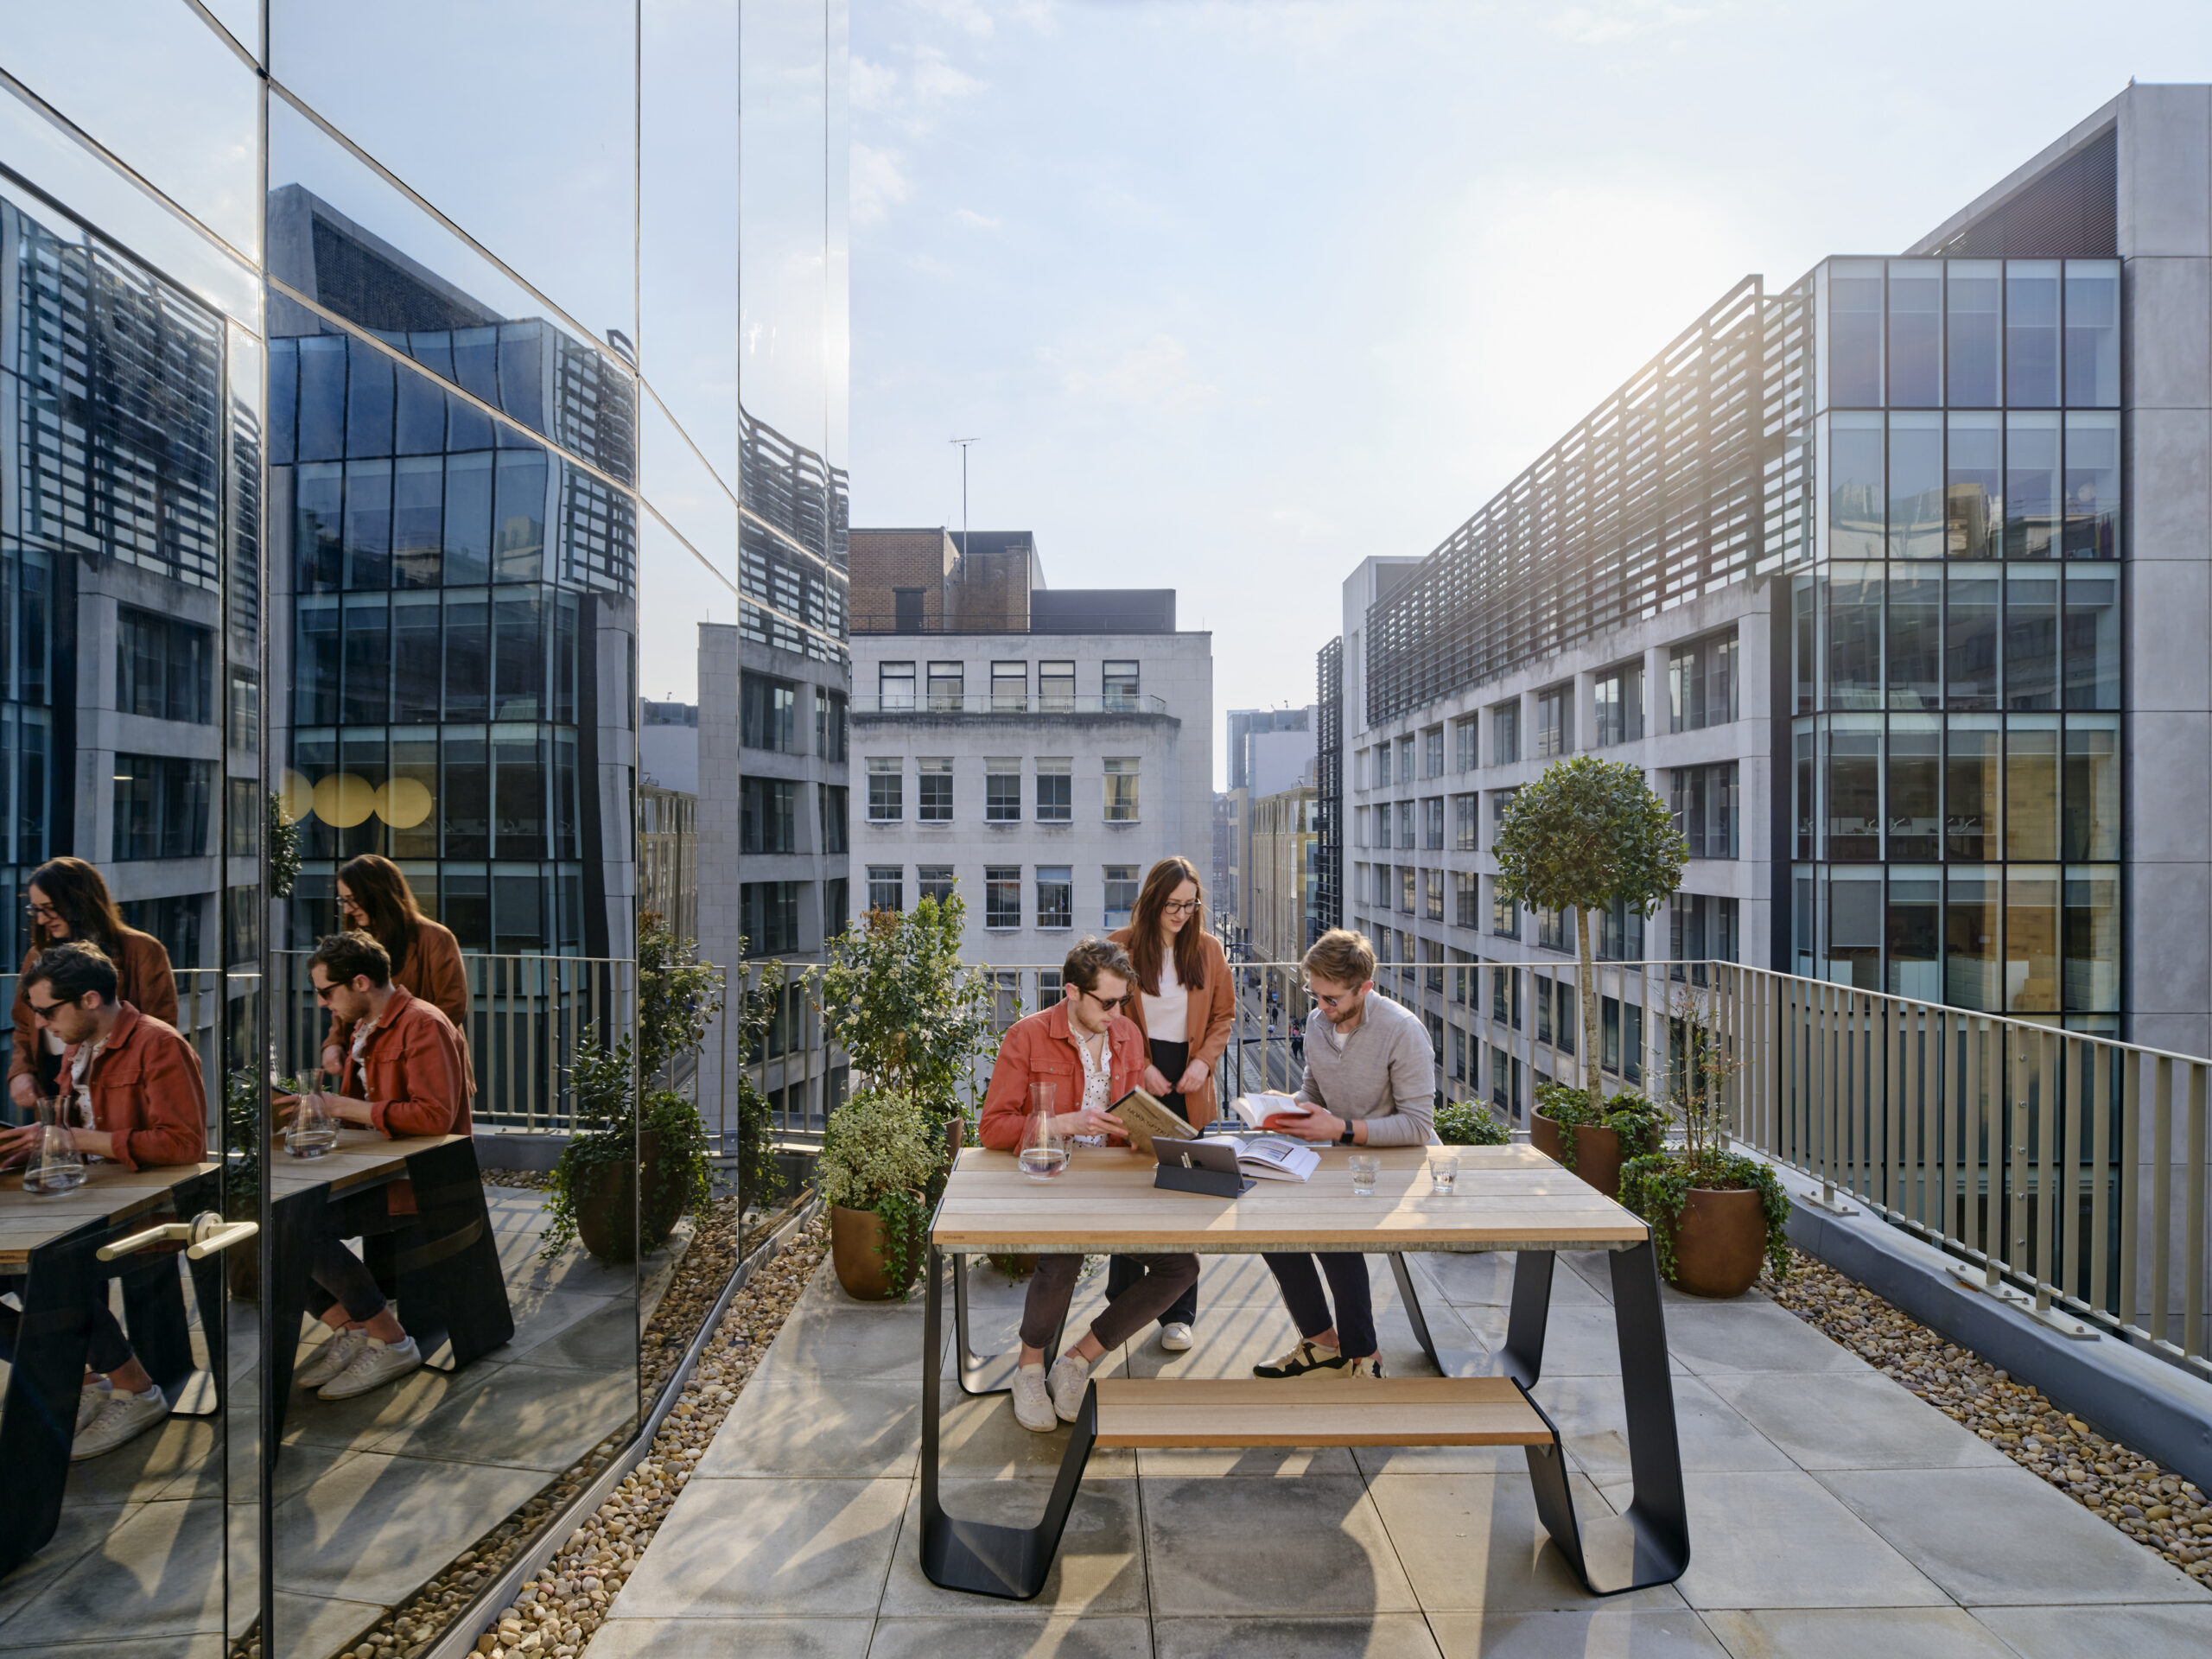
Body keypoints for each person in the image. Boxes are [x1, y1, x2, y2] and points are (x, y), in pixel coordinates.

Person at [976, 938, 1199, 1433]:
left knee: (1180, 1266)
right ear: (1072, 991)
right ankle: (1028, 1369)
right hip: (1058, 1178)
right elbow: (992, 1127)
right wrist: (1061, 1123)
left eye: (1123, 1001)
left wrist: (1153, 1134)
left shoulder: (1126, 1036)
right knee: (1064, 1255)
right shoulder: (1027, 1036)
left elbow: (1131, 1111)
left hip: (1117, 1182)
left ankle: (1078, 1359)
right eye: (1107, 1002)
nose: (1117, 1013)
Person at [0, 942, 207, 1459]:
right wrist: (38, 1141)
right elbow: (77, 1129)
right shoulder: (81, 1044)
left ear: (90, 999)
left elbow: (184, 1145)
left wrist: (75, 1142)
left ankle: (135, 1390)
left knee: (45, 1268)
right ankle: (86, 1377)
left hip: (149, 1210)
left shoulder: (159, 1045)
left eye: (48, 1011)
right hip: (87, 1196)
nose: (43, 1024)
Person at [280, 931, 470, 1402]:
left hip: (420, 1182)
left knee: (300, 1226)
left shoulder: (422, 1025)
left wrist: (342, 1108)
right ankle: (353, 1326)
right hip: (378, 1172)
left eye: (327, 992)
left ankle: (390, 1339)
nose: (323, 1004)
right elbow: (365, 1115)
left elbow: (434, 1117)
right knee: (268, 1223)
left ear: (360, 982)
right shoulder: (368, 1028)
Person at [1251, 929, 1437, 1382]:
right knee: (1269, 1225)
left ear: (1365, 988)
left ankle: (1364, 1355)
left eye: (1331, 999)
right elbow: (1316, 1090)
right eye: (1315, 995)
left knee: (1333, 1233)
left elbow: (1419, 1125)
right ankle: (1322, 1341)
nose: (1321, 1008)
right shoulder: (1317, 1024)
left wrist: (1341, 1129)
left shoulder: (1402, 1031)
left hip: (1397, 1164)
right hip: (1339, 1157)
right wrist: (1286, 1107)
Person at [1105, 856, 1234, 1352]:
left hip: (1191, 1078)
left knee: (1185, 1190)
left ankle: (1179, 1313)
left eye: (1190, 904)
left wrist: (1203, 1061)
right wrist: (1141, 1067)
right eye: (1172, 904)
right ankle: (1122, 1297)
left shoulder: (1207, 949)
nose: (1181, 913)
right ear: (1153, 900)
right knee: (1132, 1184)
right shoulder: (1120, 946)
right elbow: (1113, 1019)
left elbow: (1223, 1015)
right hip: (1141, 1072)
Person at [10, 857, 178, 1113]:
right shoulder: (37, 956)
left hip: (116, 1087)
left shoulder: (142, 950)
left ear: (78, 902)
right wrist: (21, 1072)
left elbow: (161, 1030)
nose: (41, 920)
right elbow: (24, 1026)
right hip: (53, 1084)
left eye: (49, 907)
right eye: (35, 909)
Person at [321, 853, 470, 1085]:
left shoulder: (435, 938)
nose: (348, 910)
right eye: (342, 901)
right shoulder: (355, 941)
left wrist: (398, 1047)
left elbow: (451, 1007)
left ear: (378, 894)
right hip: (370, 1066)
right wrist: (333, 1043)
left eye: (352, 899)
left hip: (425, 1068)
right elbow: (345, 1001)